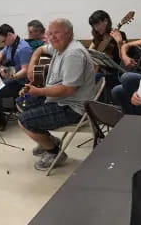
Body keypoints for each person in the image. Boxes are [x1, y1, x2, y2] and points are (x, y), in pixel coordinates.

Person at [18, 18, 96, 170]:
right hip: (59, 99)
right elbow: (40, 50)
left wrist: (38, 91)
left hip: (72, 108)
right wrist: (31, 66)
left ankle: (54, 152)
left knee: (23, 121)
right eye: (50, 33)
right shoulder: (60, 47)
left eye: (57, 33)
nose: (52, 37)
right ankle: (49, 139)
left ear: (69, 34)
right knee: (21, 102)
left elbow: (68, 90)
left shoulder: (73, 54)